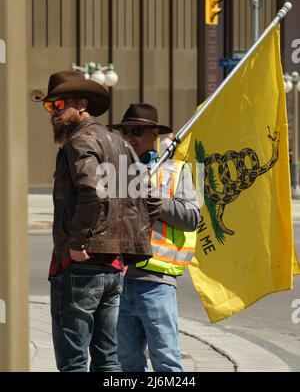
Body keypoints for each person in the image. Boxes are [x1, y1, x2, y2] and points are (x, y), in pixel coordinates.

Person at [30, 71, 161, 372]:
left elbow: (92, 191)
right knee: (107, 359)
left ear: (81, 104)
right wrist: (123, 246)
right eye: (49, 107)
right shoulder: (121, 144)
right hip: (112, 265)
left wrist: (77, 243)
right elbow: (150, 201)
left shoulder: (80, 142)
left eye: (59, 105)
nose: (53, 113)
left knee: (73, 362)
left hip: (79, 264)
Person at [109, 103, 200, 372]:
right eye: (125, 132)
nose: (130, 137)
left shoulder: (175, 170)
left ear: (154, 134)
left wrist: (161, 205)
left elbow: (193, 217)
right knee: (127, 362)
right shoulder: (114, 171)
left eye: (137, 131)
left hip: (157, 284)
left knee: (167, 361)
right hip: (118, 282)